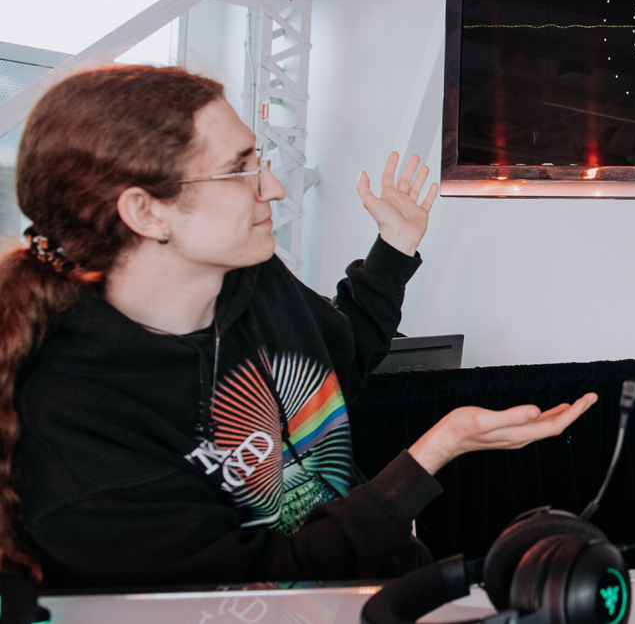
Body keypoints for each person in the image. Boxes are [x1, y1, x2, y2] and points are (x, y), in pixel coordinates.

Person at [0, 65, 596, 587]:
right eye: (238, 169)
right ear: (146, 211)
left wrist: (394, 248)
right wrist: (432, 454)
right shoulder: (72, 416)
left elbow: (339, 363)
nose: (275, 187)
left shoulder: (254, 281)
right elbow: (256, 582)